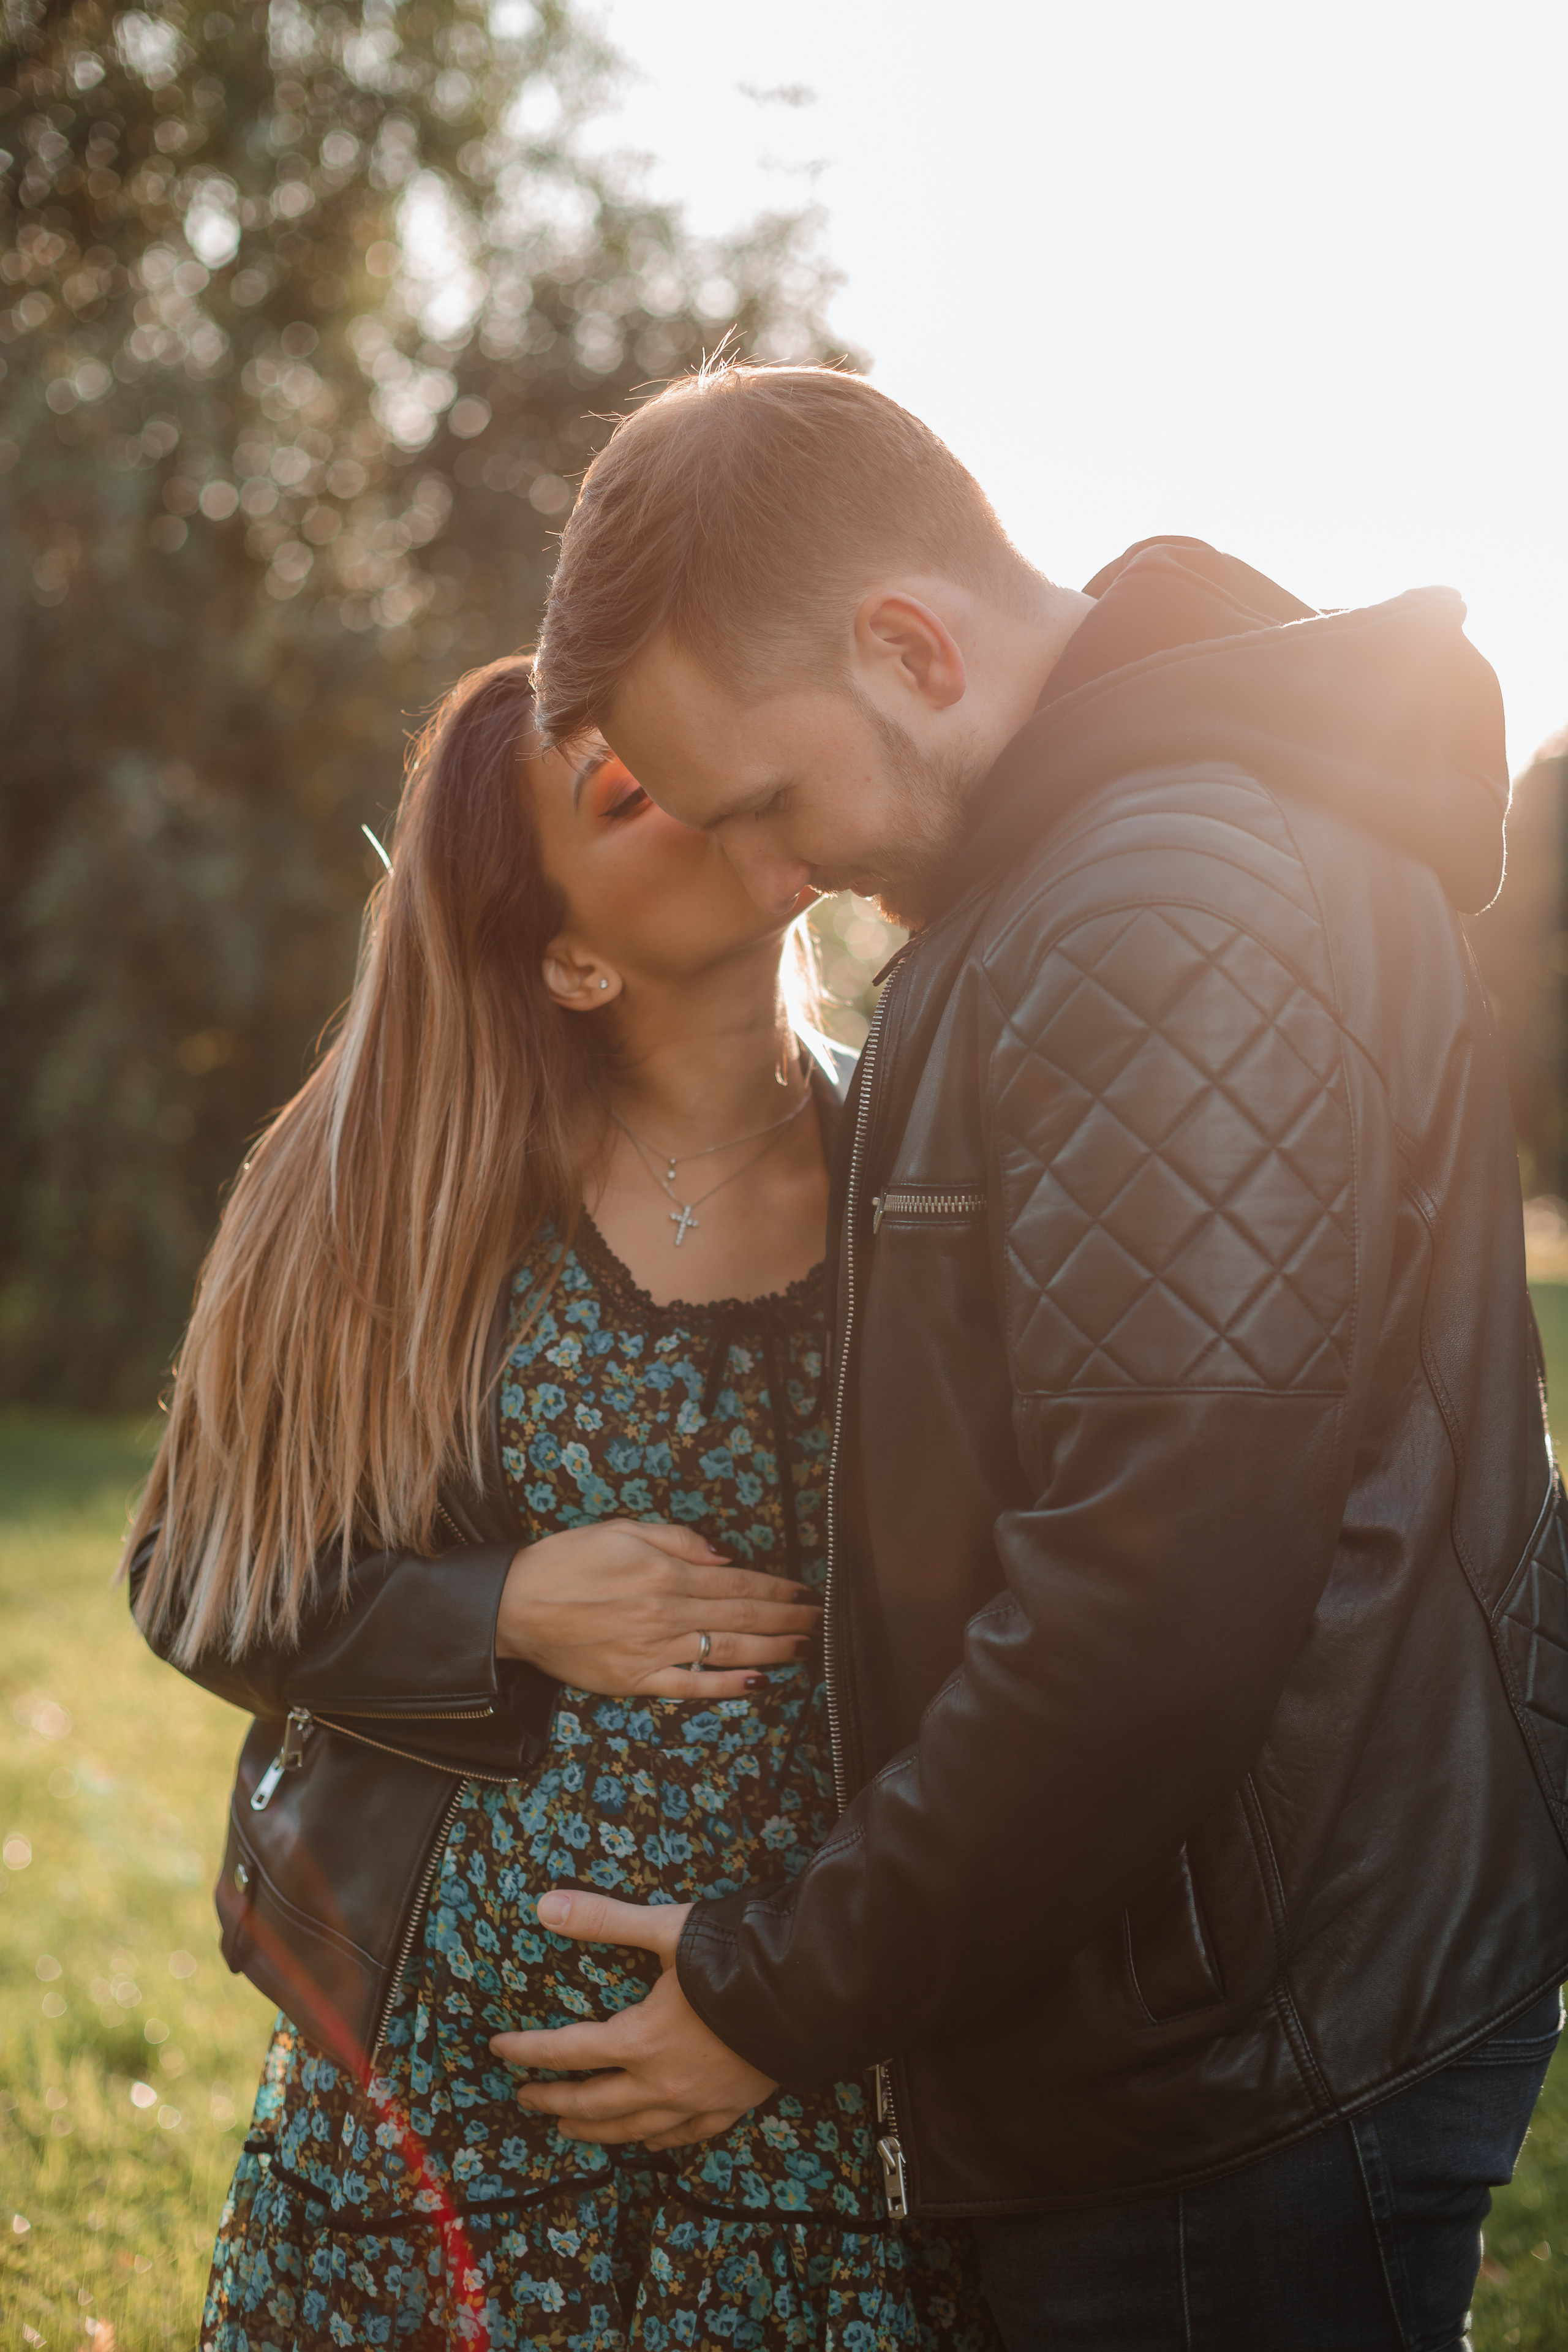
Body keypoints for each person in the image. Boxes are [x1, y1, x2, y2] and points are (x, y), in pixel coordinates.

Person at [504, 363, 1568, 2349]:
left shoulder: (1156, 904)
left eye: (767, 804)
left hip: (1229, 2063)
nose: (771, 881)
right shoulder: (1098, 874)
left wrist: (779, 1988)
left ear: (910, 646)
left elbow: (1150, 1592)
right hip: (1222, 2009)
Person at [125, 655, 997, 2350]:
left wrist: (795, 1998)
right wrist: (499, 1606)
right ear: (574, 959)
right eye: (625, 788)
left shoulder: (932, 1162)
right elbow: (193, 1577)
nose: (697, 769)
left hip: (824, 2082)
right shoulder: (397, 1186)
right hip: (456, 2101)